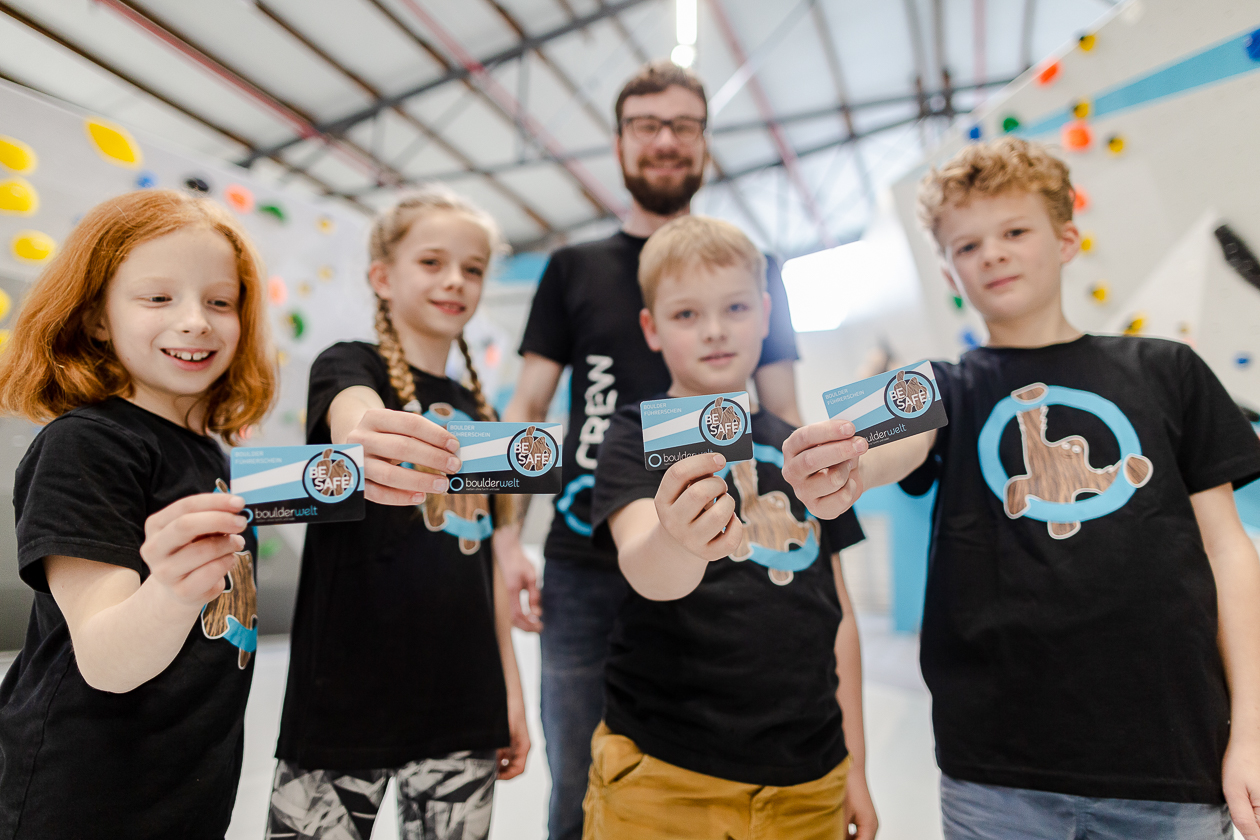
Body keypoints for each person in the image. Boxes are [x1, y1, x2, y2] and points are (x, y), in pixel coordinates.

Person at [781, 137, 1260, 840]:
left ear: (1065, 240)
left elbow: (1228, 553)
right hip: (996, 777)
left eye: (1014, 232)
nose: (994, 254)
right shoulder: (943, 386)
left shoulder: (1169, 371)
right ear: (947, 270)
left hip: (1170, 763)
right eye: (968, 246)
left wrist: (1249, 728)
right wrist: (842, 465)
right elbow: (882, 437)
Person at [498, 59, 803, 840]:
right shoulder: (572, 269)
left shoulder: (755, 266)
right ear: (620, 142)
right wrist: (505, 540)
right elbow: (529, 409)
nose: (665, 142)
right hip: (587, 563)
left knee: (710, 781)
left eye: (683, 126)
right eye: (647, 126)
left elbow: (782, 415)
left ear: (703, 142)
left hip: (730, 558)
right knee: (579, 787)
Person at [582, 215, 874, 840]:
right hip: (666, 775)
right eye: (686, 315)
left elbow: (840, 615)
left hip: (811, 779)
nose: (714, 330)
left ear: (766, 315)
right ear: (651, 329)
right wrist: (676, 539)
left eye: (735, 307)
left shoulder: (804, 448)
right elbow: (643, 565)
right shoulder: (634, 434)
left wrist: (857, 765)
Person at [0, 189, 276, 838]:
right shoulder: (85, 444)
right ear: (97, 318)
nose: (196, 322)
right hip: (81, 801)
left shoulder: (207, 451)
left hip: (181, 793)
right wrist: (176, 590)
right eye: (158, 298)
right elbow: (106, 658)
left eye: (220, 301)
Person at [267, 186, 530, 840]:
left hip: (463, 702)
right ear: (382, 278)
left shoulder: (484, 414)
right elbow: (351, 413)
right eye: (433, 262)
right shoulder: (349, 365)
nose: (455, 281)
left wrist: (510, 693)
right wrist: (366, 433)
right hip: (343, 700)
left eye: (472, 269)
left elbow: (490, 567)